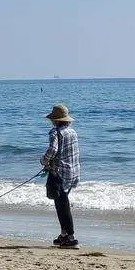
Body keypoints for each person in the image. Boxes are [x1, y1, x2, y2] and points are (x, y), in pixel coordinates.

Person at [40, 104, 80, 248]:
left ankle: (70, 236)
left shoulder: (55, 132)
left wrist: (44, 160)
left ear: (55, 120)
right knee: (62, 202)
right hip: (73, 173)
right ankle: (64, 234)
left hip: (59, 173)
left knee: (62, 205)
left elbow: (53, 149)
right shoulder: (73, 132)